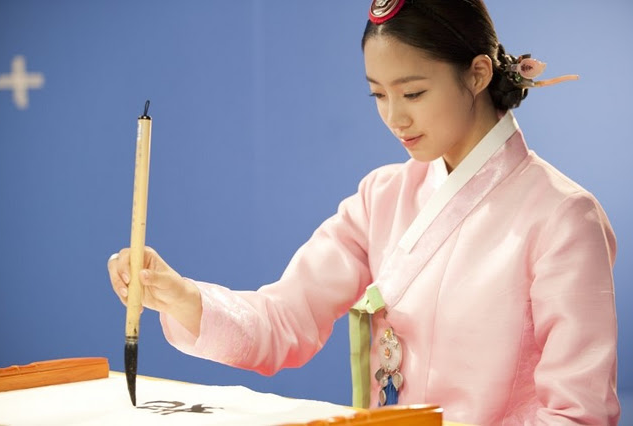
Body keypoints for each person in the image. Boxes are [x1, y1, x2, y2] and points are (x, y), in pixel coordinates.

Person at [107, 0, 619, 424]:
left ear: (478, 73)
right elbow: (284, 318)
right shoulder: (382, 196)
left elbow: (578, 414)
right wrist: (180, 297)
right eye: (378, 95)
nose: (395, 117)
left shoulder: (562, 217)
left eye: (413, 92)